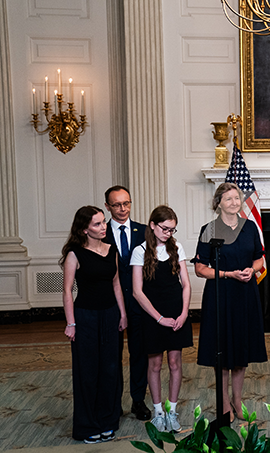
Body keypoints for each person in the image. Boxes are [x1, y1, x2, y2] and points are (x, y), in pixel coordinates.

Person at [193, 182, 267, 422]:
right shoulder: (209, 229)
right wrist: (227, 274)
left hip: (245, 294)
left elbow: (260, 260)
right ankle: (223, 402)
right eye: (229, 199)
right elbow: (200, 268)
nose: (234, 203)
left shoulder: (250, 227)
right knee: (222, 351)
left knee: (241, 349)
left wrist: (250, 270)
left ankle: (237, 399)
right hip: (220, 296)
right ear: (218, 203)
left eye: (237, 198)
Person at [61, 206, 128, 443]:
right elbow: (67, 291)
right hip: (85, 317)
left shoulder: (112, 250)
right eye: (97, 224)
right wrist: (71, 323)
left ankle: (108, 420)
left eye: (103, 223)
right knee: (87, 373)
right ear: (84, 229)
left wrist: (122, 314)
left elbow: (116, 284)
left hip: (110, 315)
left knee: (110, 370)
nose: (103, 227)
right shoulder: (74, 254)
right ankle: (88, 425)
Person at [131, 206, 193, 433]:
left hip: (177, 311)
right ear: (153, 225)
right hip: (153, 315)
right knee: (155, 364)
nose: (169, 233)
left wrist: (184, 313)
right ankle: (158, 412)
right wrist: (159, 319)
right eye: (165, 228)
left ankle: (172, 411)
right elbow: (138, 291)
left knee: (175, 363)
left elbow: (186, 284)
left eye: (172, 229)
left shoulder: (176, 247)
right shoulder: (140, 251)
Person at [103, 185, 150, 421]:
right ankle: (113, 402)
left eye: (126, 203)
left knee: (139, 352)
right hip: (110, 305)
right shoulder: (100, 234)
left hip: (139, 302)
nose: (123, 209)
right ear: (107, 207)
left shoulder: (143, 231)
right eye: (117, 205)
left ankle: (138, 400)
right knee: (112, 354)